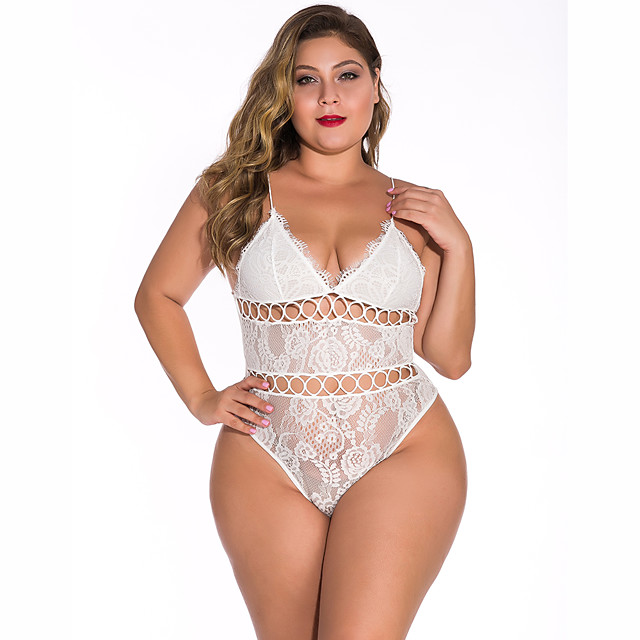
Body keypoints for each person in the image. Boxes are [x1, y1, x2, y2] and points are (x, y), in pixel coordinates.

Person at [135, 4, 475, 638]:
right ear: (284, 92)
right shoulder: (234, 192)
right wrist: (202, 398)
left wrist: (460, 246)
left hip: (402, 446)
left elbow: (450, 358)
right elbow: (158, 295)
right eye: (306, 79)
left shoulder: (416, 210)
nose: (329, 96)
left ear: (376, 82)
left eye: (347, 75)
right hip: (267, 456)